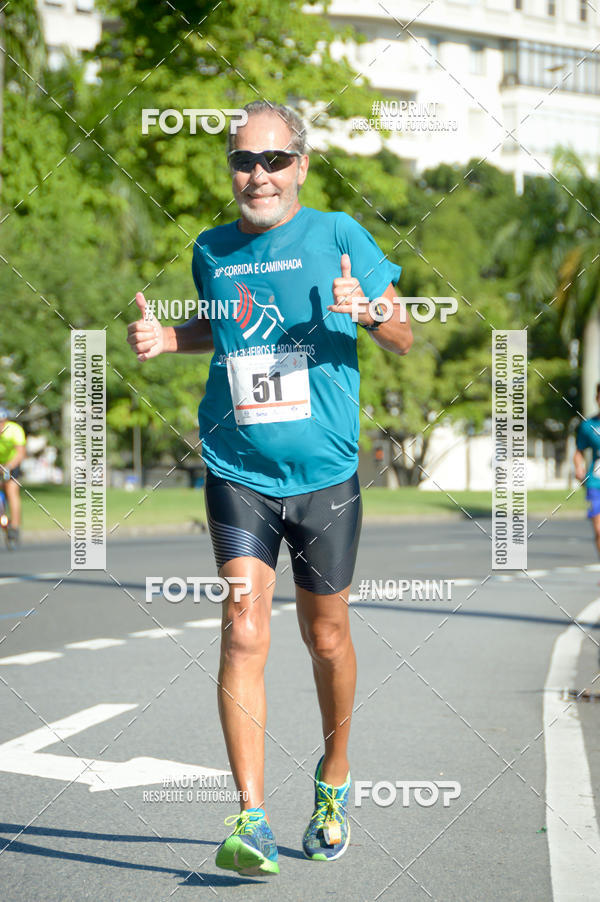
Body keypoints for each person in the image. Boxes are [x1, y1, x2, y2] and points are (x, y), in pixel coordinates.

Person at [127, 100, 412, 875]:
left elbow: (403, 332)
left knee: (327, 638)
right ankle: (250, 818)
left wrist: (370, 312)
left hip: (325, 476)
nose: (259, 175)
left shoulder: (339, 235)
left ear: (302, 166)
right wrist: (168, 338)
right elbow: (220, 331)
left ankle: (334, 776)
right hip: (236, 467)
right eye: (244, 161)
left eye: (274, 160)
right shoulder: (210, 250)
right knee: (244, 626)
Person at [574, 384, 600, 555]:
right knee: (599, 529)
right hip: (596, 481)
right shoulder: (588, 426)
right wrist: (579, 468)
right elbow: (578, 452)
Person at [0, 406, 26, 545]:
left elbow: (21, 453)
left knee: (11, 490)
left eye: (2, 422)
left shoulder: (15, 430)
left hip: (11, 463)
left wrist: (7, 467)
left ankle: (15, 527)